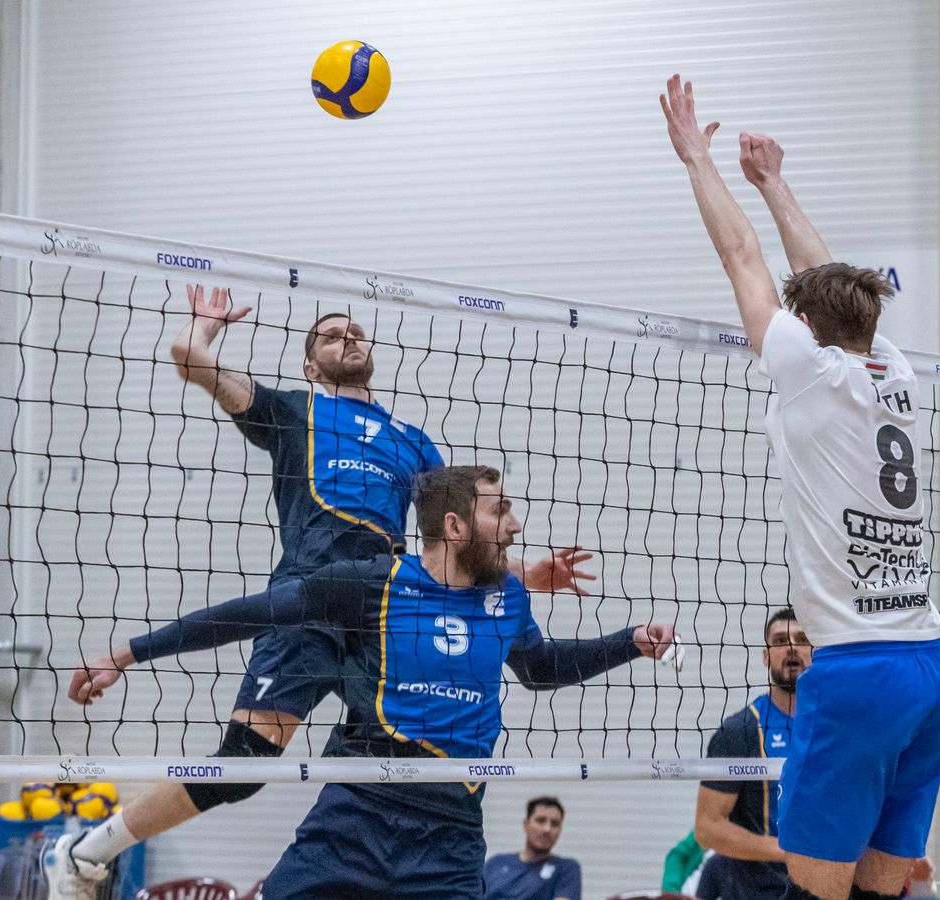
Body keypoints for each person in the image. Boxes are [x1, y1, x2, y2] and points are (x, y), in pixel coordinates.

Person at [42, 287, 594, 897]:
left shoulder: (412, 441)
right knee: (241, 767)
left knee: (386, 755)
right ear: (310, 365)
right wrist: (200, 333)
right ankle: (86, 852)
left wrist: (523, 573)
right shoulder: (294, 410)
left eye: (355, 331)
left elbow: (453, 540)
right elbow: (197, 365)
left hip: (381, 617)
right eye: (330, 336)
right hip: (312, 606)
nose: (348, 337)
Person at [63, 465, 677, 899]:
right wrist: (129, 653)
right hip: (359, 810)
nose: (516, 525)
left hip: (451, 832)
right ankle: (85, 853)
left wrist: (628, 642)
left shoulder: (507, 597)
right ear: (456, 526)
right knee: (242, 766)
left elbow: (539, 669)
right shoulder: (372, 584)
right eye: (500, 509)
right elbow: (247, 614)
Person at [660, 74, 940, 900]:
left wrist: (698, 161)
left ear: (806, 328)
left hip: (859, 673)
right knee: (881, 885)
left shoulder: (810, 371)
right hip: (935, 671)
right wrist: (775, 183)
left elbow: (744, 258)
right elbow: (826, 278)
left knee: (811, 880)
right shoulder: (895, 369)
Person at [695, 607, 813, 898]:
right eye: (780, 641)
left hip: (827, 886)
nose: (791, 648)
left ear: (816, 652)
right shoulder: (740, 730)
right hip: (762, 890)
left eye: (801, 639)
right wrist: (785, 851)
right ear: (765, 656)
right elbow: (707, 828)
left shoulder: (836, 729)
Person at [483, 796, 582, 900]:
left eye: (555, 824)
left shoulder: (566, 869)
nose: (547, 829)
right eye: (540, 821)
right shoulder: (495, 863)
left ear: (560, 830)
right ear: (526, 824)